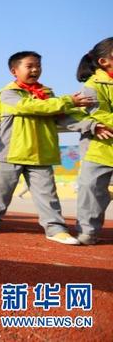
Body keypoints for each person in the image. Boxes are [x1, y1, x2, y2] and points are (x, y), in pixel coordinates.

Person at [0, 51, 96, 245]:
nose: (35, 70)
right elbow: (30, 106)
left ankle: (56, 229)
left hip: (41, 152)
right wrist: (68, 101)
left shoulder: (49, 95)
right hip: (10, 151)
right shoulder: (8, 93)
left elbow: (64, 116)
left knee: (47, 194)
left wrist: (92, 125)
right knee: (0, 191)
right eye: (29, 66)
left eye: (38, 66)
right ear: (14, 71)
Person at [74, 38, 113, 245]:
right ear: (104, 61)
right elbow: (100, 114)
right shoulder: (92, 86)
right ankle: (88, 230)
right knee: (92, 191)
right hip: (99, 148)